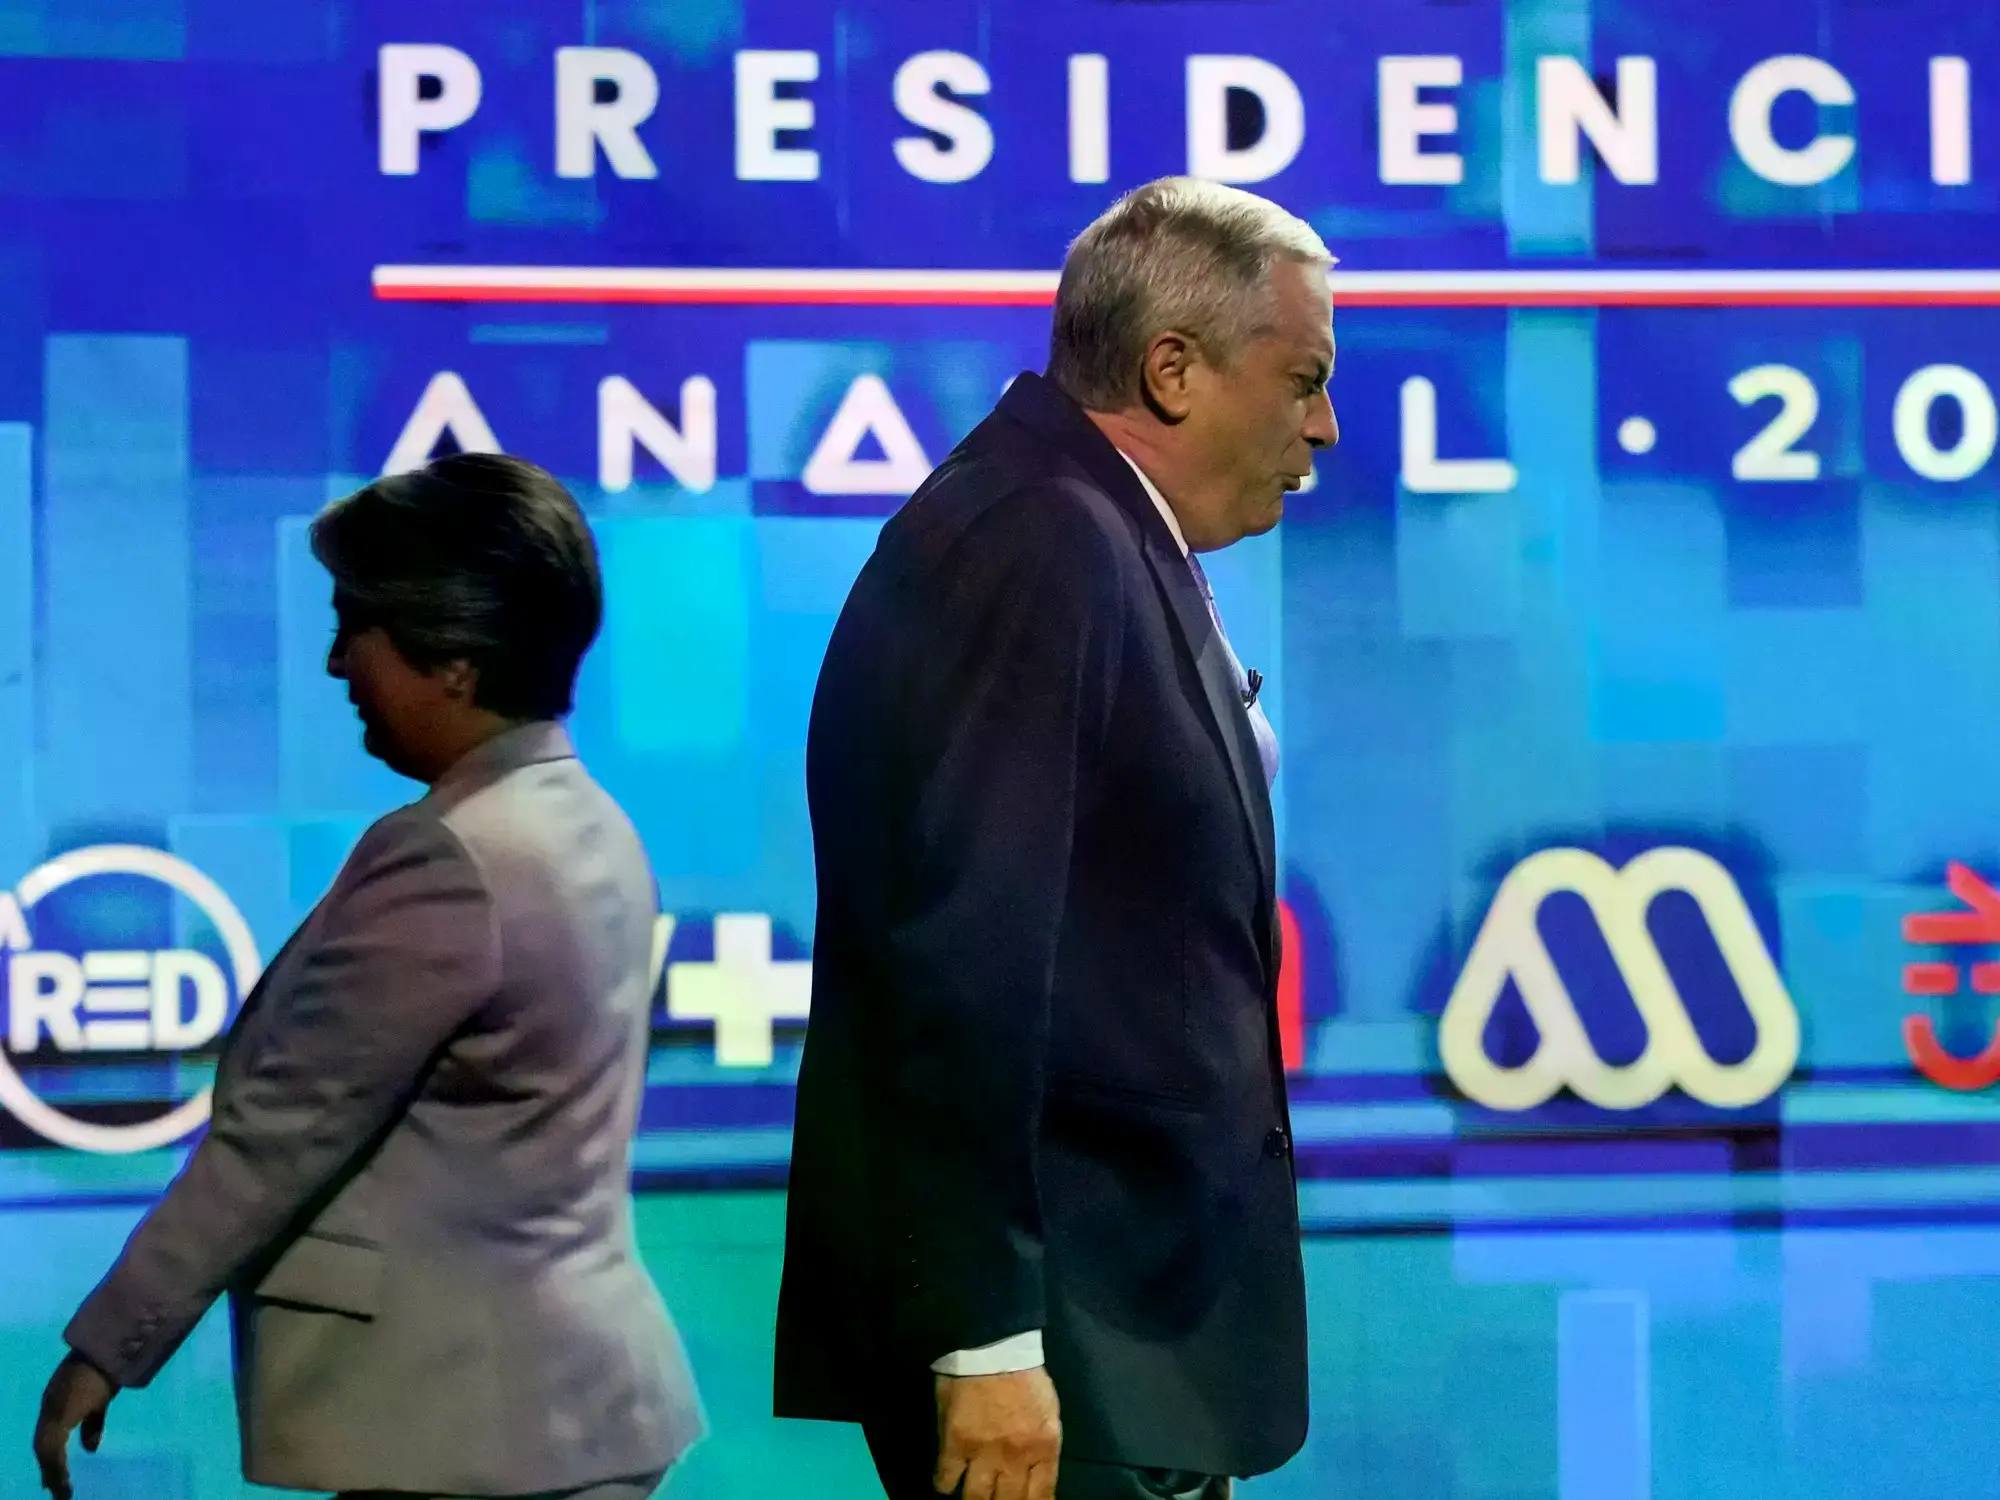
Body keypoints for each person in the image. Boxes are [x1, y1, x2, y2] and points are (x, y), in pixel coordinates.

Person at [775, 178, 1338, 1499]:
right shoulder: (1038, 543)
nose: (1322, 424)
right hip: (1060, 1344)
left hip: (1122, 1340)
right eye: (1303, 377)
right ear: (1174, 369)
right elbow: (963, 959)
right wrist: (985, 1339)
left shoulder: (1088, 531)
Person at [32, 454, 703, 1500]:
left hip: (465, 1430)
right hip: (564, 1408)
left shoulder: (450, 855)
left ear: (455, 662)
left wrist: (110, 1343)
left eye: (357, 627)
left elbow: (281, 1131)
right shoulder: (591, 823)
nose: (337, 663)